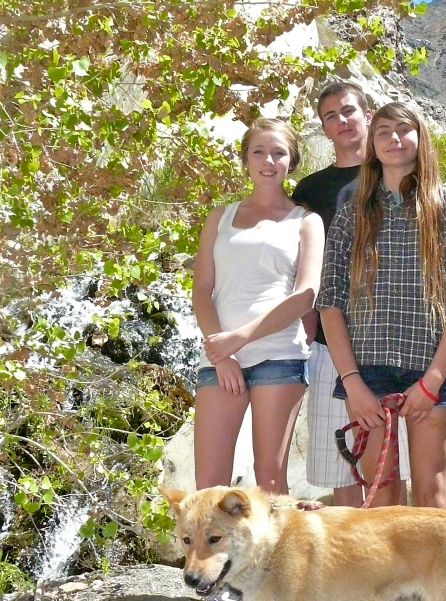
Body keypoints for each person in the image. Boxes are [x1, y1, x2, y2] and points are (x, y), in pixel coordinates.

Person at [316, 102, 446, 508]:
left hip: (431, 370)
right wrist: (352, 384)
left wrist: (432, 382)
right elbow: (330, 302)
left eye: (403, 129)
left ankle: (436, 574)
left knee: (432, 491)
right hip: (368, 373)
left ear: (420, 137)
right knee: (382, 494)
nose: (393, 138)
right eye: (383, 131)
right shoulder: (352, 214)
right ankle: (392, 575)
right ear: (372, 145)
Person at [191, 117, 324, 494]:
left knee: (269, 481)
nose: (269, 161)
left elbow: (305, 295)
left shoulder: (306, 221)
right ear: (246, 160)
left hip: (279, 356)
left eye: (278, 153)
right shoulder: (220, 217)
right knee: (208, 488)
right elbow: (202, 289)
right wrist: (222, 351)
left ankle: (276, 556)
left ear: (291, 162)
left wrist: (239, 339)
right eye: (259, 152)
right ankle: (208, 557)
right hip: (220, 360)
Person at [292, 82, 410, 507]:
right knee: (337, 463)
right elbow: (300, 263)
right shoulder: (310, 190)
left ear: (367, 114)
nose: (341, 121)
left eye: (348, 111)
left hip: (393, 341)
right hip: (329, 340)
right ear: (324, 129)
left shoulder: (401, 176)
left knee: (392, 468)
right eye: (331, 116)